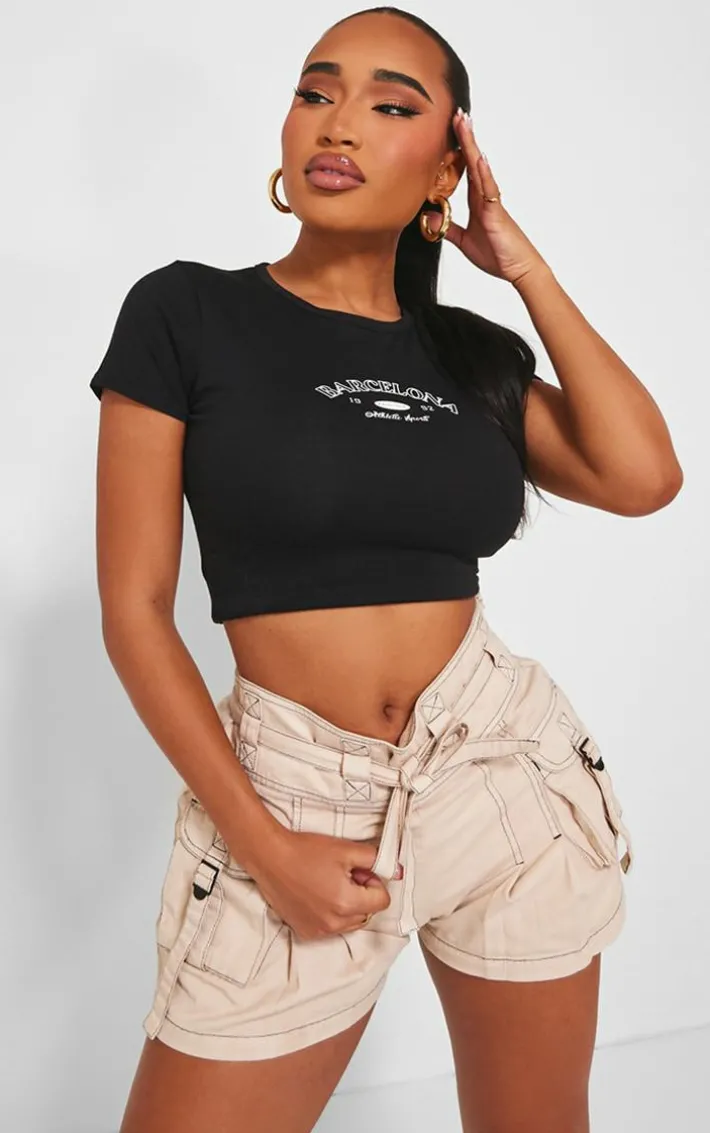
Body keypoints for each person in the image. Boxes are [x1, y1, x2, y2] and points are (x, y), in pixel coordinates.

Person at [88, 7, 683, 1132]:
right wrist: (263, 844)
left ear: (447, 167)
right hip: (291, 793)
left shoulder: (473, 358)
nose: (339, 123)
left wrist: (520, 265)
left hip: (502, 770)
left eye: (390, 105)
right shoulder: (187, 312)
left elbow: (643, 475)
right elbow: (135, 611)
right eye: (317, 92)